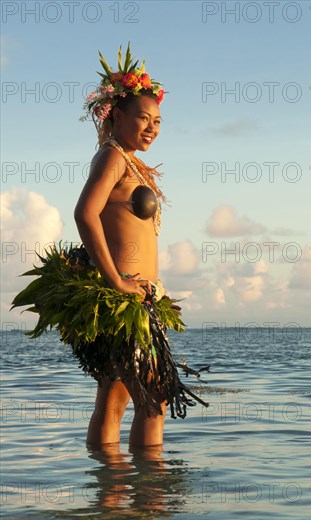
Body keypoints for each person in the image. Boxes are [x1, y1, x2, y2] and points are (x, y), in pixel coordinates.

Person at [72, 44, 207, 448]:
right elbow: (85, 213)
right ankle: (149, 500)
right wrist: (116, 281)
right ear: (116, 115)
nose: (152, 127)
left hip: (140, 298)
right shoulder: (112, 157)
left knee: (114, 400)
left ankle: (110, 498)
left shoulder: (128, 160)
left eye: (158, 120)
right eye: (143, 118)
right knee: (155, 401)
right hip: (125, 297)